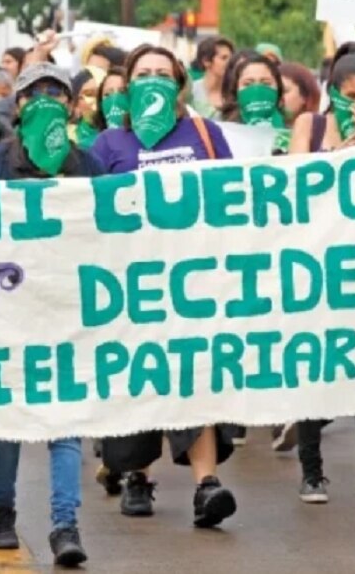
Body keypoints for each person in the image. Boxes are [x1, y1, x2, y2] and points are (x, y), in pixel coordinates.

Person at [91, 45, 240, 528]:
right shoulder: (109, 144)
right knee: (140, 378)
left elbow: (233, 195)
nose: (153, 81)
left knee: (195, 375)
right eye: (143, 74)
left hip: (192, 280)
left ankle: (206, 485)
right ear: (127, 86)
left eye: (162, 73)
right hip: (128, 287)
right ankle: (136, 475)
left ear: (179, 84)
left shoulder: (203, 133)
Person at [0, 62, 99, 567]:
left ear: (69, 106)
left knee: (65, 423)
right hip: (9, 313)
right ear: (18, 106)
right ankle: (2, 512)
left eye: (56, 93)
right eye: (35, 92)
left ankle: (65, 525)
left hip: (67, 311)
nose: (46, 99)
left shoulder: (85, 166)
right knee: (9, 421)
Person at [287, 47, 355, 508]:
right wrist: (339, 158)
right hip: (314, 268)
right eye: (354, 95)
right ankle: (312, 472)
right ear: (334, 93)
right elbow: (292, 182)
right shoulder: (308, 127)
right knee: (316, 370)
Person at [219, 50, 291, 155]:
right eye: (248, 84)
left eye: (265, 83)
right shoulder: (220, 135)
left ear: (278, 91)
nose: (257, 89)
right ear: (236, 91)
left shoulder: (295, 136)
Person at [188, 37, 234, 119]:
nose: (230, 63)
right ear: (206, 61)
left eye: (231, 58)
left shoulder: (235, 92)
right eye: (224, 58)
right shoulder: (191, 92)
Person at [69, 66, 105, 150]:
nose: (97, 100)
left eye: (103, 94)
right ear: (76, 103)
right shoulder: (66, 138)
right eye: (89, 94)